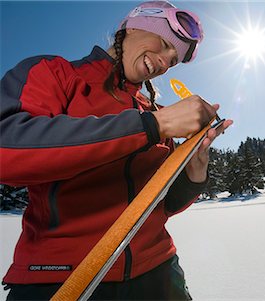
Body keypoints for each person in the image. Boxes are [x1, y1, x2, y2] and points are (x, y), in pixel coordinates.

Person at [0, 1, 232, 300]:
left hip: (159, 272)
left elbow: (162, 205)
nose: (163, 62)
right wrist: (148, 127)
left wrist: (194, 171)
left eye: (172, 60)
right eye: (163, 45)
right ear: (132, 26)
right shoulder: (57, 74)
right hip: (62, 277)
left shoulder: (155, 112)